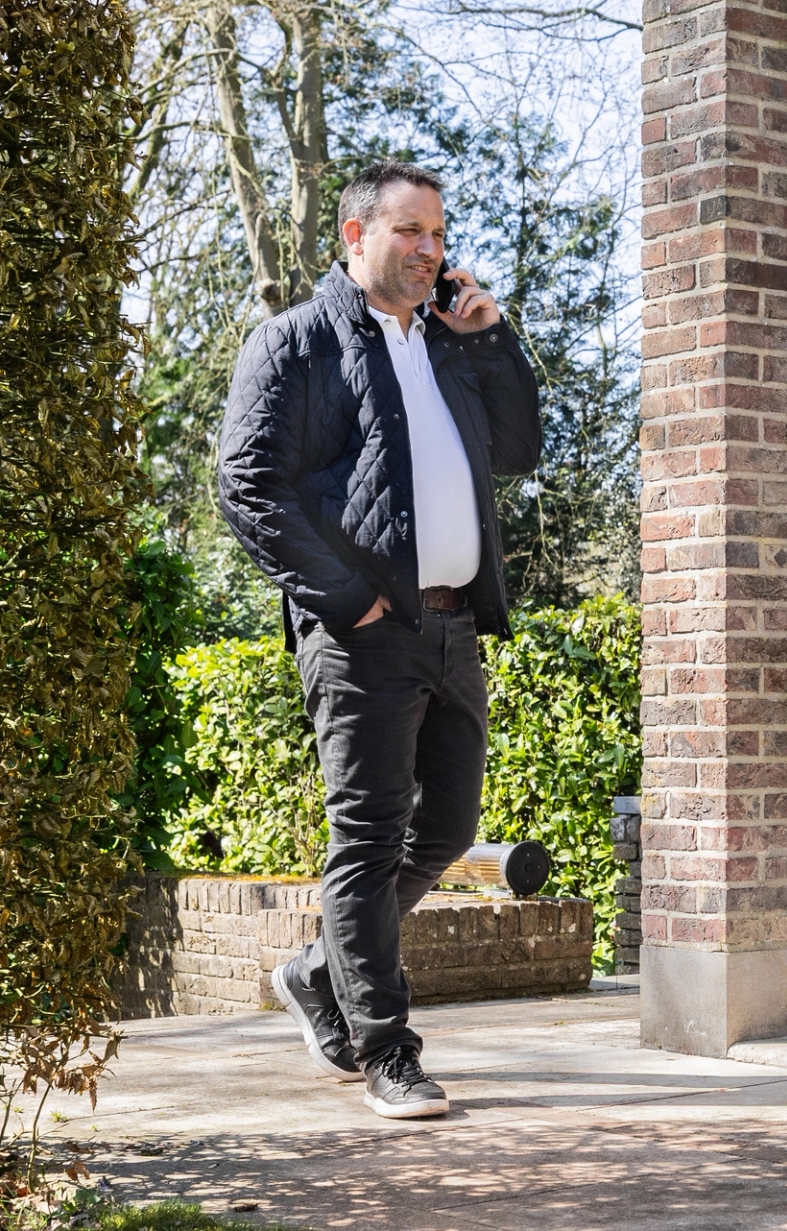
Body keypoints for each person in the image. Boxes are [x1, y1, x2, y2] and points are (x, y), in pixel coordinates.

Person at [217, 159, 541, 1119]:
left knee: (442, 831)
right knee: (366, 839)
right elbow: (247, 488)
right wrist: (346, 598)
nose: (430, 251)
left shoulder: (447, 345)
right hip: (361, 634)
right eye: (409, 232)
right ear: (356, 239)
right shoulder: (294, 344)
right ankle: (385, 1051)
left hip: (453, 627)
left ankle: (321, 974)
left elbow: (517, 451)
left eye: (438, 234)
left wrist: (491, 341)